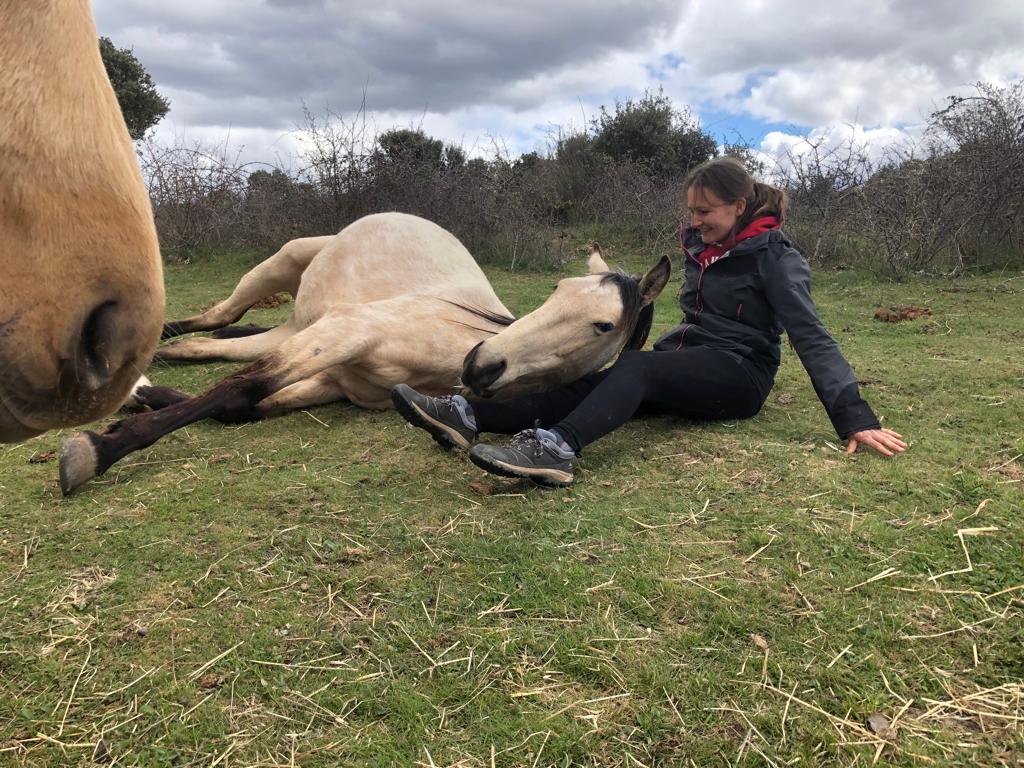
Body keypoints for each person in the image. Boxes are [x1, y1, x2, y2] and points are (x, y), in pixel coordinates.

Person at [390, 156, 907, 487]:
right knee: (603, 380)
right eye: (691, 211)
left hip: (740, 376)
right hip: (689, 359)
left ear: (739, 206)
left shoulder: (777, 258)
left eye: (706, 212)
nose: (695, 222)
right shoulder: (703, 248)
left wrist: (855, 417)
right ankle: (468, 415)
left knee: (635, 367)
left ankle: (556, 449)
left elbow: (812, 336)